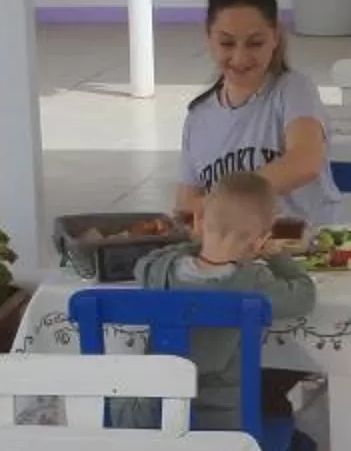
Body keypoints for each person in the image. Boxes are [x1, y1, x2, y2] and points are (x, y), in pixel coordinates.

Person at [132, 171, 315, 432]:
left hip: (155, 417)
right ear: (261, 240)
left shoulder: (161, 270)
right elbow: (305, 295)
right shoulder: (254, 283)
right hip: (221, 425)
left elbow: (144, 263)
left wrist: (193, 246)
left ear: (198, 222)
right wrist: (277, 257)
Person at [178, 0, 345, 230]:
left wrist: (221, 200)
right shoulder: (197, 118)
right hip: (233, 259)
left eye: (255, 43)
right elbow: (186, 209)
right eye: (226, 43)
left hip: (305, 255)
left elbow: (305, 161)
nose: (240, 57)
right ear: (208, 37)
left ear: (275, 37)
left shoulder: (293, 90)